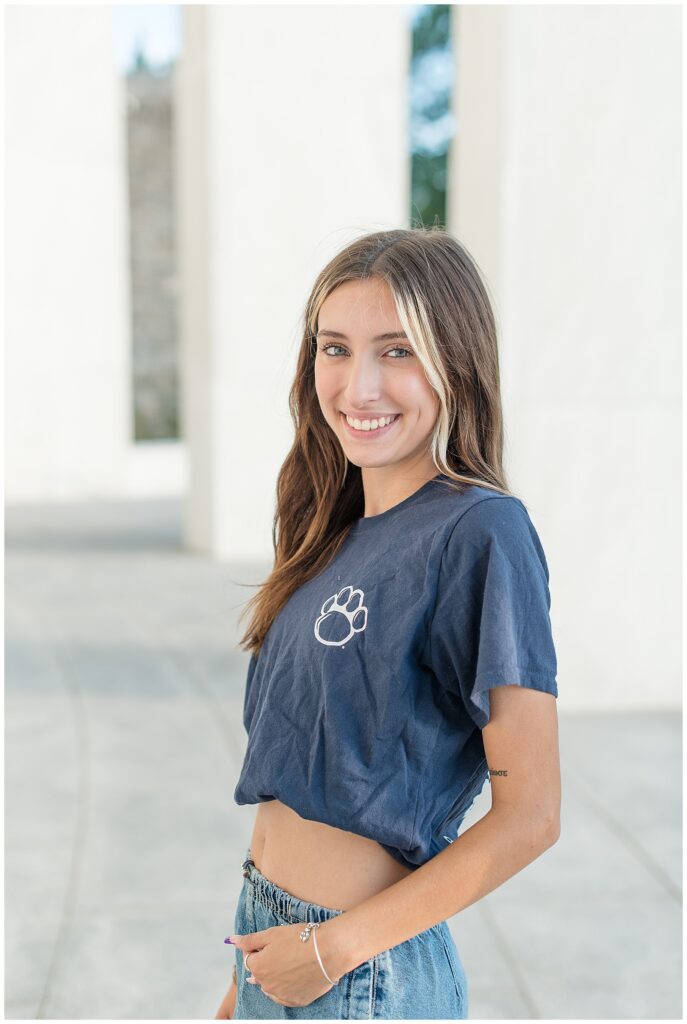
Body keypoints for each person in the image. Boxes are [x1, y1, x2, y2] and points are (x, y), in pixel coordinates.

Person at [214, 227, 561, 1020]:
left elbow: (531, 815)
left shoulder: (481, 533)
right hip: (271, 940)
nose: (357, 386)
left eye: (396, 351)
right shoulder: (330, 526)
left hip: (357, 970)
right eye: (334, 349)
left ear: (455, 363)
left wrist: (328, 951)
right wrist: (246, 982)